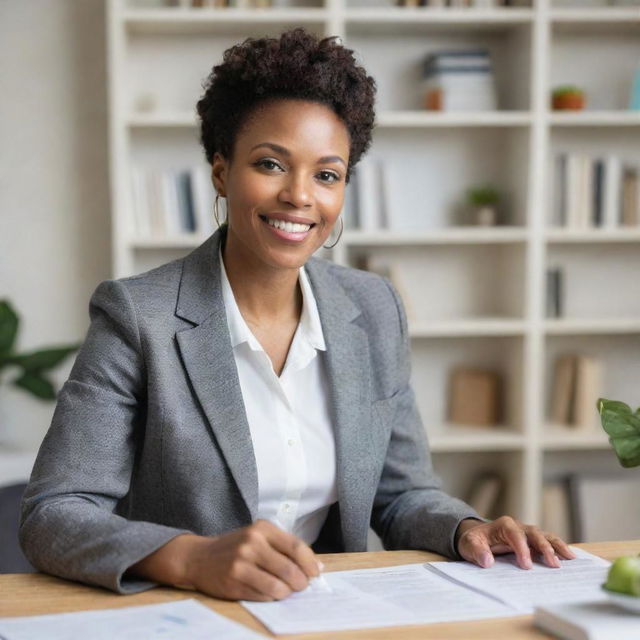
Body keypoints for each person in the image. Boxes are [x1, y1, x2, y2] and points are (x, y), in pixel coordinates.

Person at [19, 28, 574, 602]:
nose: (300, 196)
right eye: (270, 164)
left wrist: (467, 530)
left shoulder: (375, 309)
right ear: (220, 171)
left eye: (327, 174)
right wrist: (191, 558)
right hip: (186, 613)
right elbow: (55, 514)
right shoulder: (138, 317)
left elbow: (402, 494)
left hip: (322, 611)